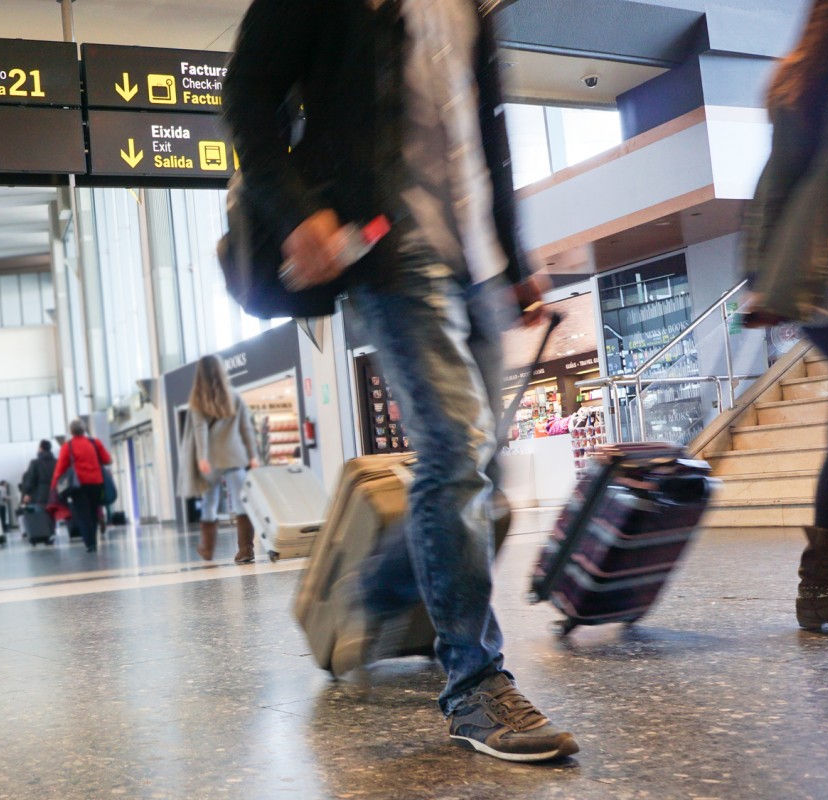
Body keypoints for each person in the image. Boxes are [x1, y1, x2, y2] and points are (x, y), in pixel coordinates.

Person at [224, 0, 575, 762]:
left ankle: (376, 592)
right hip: (385, 246)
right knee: (454, 447)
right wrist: (297, 214)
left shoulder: (473, 7)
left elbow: (486, 133)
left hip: (474, 254)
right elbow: (246, 99)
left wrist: (513, 262)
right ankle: (475, 687)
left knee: (480, 466)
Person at [741, 0, 828, 630]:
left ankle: (824, 580)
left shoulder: (803, 73)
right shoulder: (814, 76)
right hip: (824, 271)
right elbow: (779, 181)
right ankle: (823, 580)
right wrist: (763, 280)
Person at [177, 355, 260, 563]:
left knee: (210, 501)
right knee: (242, 502)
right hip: (235, 456)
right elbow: (246, 427)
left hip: (213, 459)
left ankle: (207, 548)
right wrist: (253, 455)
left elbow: (200, 429)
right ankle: (246, 550)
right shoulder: (234, 396)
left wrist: (202, 456)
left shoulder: (198, 400)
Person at [51, 420, 112, 554]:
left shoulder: (68, 447)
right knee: (93, 512)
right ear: (84, 430)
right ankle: (94, 541)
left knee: (83, 514)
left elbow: (60, 468)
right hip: (97, 483)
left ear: (71, 432)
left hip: (79, 485)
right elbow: (108, 460)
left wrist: (55, 485)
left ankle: (89, 543)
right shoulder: (95, 443)